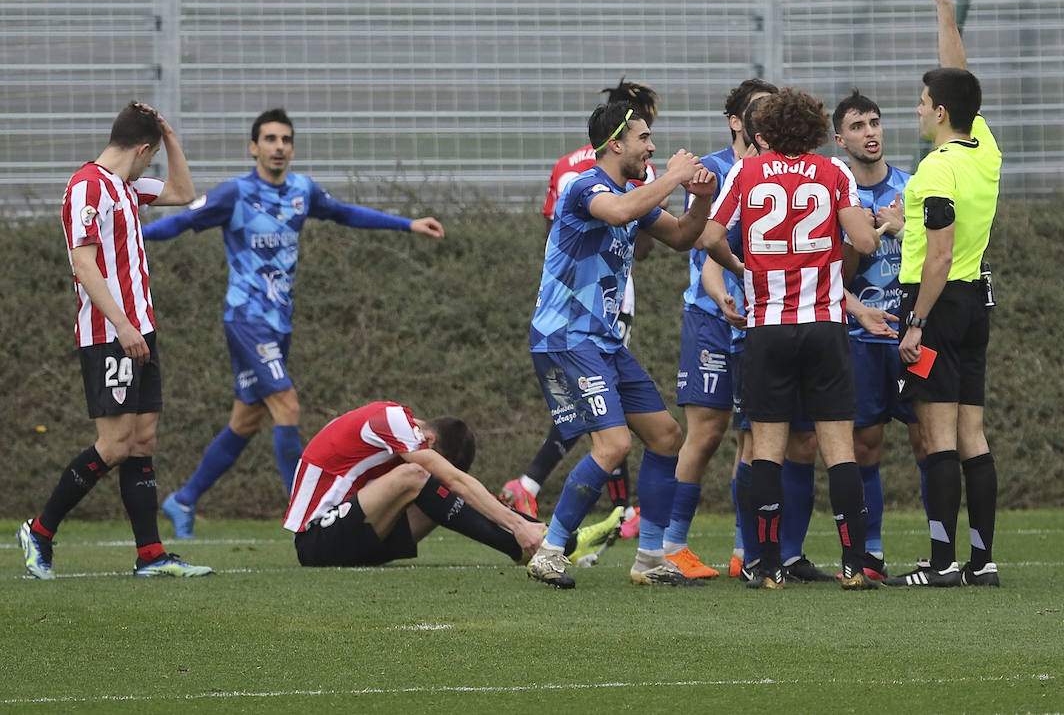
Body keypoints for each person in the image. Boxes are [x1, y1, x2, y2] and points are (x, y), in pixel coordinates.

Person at [143, 108, 445, 539]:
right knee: (288, 405)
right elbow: (183, 220)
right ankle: (307, 516)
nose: (279, 146)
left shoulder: (302, 191)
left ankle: (184, 499)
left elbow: (344, 213)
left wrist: (409, 224)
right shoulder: (235, 194)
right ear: (254, 148)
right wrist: (130, 232)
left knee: (246, 421)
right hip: (246, 319)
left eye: (285, 139)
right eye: (269, 139)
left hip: (278, 324)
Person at [524, 100, 719, 588]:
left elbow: (682, 237)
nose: (652, 146)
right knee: (613, 445)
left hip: (602, 340)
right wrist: (674, 176)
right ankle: (550, 551)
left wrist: (699, 198)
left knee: (666, 436)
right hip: (566, 335)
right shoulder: (586, 186)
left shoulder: (634, 192)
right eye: (644, 138)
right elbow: (619, 212)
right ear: (616, 144)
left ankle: (649, 558)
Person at [17, 100, 213, 578]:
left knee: (142, 441)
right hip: (110, 333)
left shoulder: (125, 187)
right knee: (115, 443)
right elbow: (83, 263)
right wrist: (124, 325)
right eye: (153, 153)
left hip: (139, 331)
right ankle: (39, 530)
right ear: (141, 150)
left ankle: (150, 556)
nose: (153, 164)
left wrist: (168, 133)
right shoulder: (88, 186)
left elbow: (184, 191)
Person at [700, 87, 885, 590]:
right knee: (838, 449)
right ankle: (854, 565)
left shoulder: (746, 171)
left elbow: (711, 238)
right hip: (825, 325)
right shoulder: (833, 172)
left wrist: (744, 269)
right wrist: (868, 228)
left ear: (764, 133)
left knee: (767, 449)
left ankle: (767, 566)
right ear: (819, 131)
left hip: (768, 328)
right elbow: (864, 242)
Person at [886, 0, 1003, 588]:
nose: (918, 107)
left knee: (936, 439)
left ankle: (940, 561)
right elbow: (961, 81)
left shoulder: (934, 170)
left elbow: (935, 254)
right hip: (975, 303)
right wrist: (943, 2)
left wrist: (915, 323)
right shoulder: (982, 146)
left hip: (935, 303)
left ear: (939, 113)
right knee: (972, 437)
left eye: (923, 101)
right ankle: (981, 561)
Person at [500, 78, 659, 539]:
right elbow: (615, 221)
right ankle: (572, 524)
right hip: (583, 319)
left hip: (597, 319)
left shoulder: (593, 171)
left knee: (655, 431)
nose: (652, 143)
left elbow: (558, 231)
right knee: (610, 431)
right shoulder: (595, 179)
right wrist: (666, 183)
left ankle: (640, 534)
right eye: (646, 132)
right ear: (620, 134)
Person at [283, 401, 621, 568]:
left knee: (432, 492)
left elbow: (453, 487)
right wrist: (518, 523)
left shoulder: (401, 434)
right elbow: (454, 480)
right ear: (428, 438)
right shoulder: (391, 419)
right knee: (418, 477)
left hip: (350, 536)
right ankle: (544, 540)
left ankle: (541, 545)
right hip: (315, 540)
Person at [663, 78, 776, 579]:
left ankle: (742, 550)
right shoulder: (710, 172)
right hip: (711, 318)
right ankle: (672, 547)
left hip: (764, 322)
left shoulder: (780, 170)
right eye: (756, 112)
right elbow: (698, 242)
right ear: (736, 121)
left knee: (751, 439)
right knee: (706, 433)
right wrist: (721, 291)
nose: (763, 121)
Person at [832, 88, 923, 581]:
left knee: (929, 442)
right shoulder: (835, 193)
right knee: (865, 447)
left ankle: (940, 550)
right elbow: (830, 277)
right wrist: (859, 237)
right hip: (859, 340)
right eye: (858, 126)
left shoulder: (912, 186)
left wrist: (902, 228)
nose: (870, 133)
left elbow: (941, 260)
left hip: (914, 337)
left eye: (875, 123)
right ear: (839, 138)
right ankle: (870, 554)